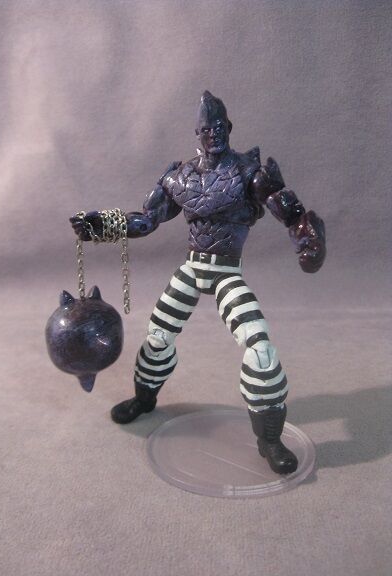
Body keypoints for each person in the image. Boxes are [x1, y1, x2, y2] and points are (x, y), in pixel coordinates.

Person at [70, 91, 326, 474]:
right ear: (197, 134)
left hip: (226, 272)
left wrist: (308, 241)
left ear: (229, 128)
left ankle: (269, 438)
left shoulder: (249, 174)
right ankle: (144, 399)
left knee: (260, 349)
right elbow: (147, 219)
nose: (213, 134)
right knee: (158, 336)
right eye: (206, 129)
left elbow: (289, 211)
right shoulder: (181, 177)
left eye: (219, 127)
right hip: (192, 269)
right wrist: (103, 226)